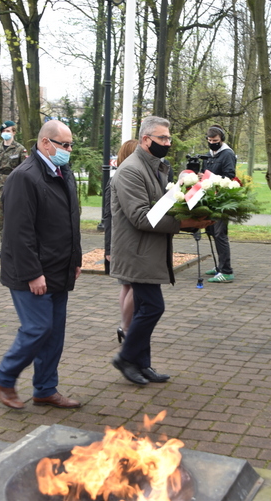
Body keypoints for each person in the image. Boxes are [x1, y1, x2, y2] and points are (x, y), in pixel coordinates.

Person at [109, 116, 212, 385]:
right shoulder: (131, 170)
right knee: (153, 307)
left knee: (145, 307)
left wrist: (191, 193)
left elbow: (162, 206)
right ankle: (126, 358)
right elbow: (142, 217)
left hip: (149, 250)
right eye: (162, 138)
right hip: (136, 252)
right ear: (146, 140)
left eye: (168, 138)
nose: (167, 143)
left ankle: (142, 365)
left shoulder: (156, 167)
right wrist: (186, 222)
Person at [0, 120, 82, 409]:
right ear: (45, 143)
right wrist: (33, 273)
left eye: (70, 145)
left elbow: (72, 220)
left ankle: (45, 389)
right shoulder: (24, 177)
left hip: (59, 267)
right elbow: (18, 232)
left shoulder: (62, 172)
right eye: (64, 144)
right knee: (38, 328)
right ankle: (4, 377)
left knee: (54, 332)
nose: (68, 150)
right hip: (30, 271)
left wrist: (75, 259)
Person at [103, 139, 138, 344]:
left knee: (127, 285)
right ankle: (125, 326)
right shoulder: (117, 180)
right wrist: (108, 247)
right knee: (133, 284)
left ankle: (125, 325)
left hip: (123, 240)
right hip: (122, 240)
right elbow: (108, 216)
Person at [202, 124, 237, 283]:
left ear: (221, 139)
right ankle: (219, 266)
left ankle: (227, 271)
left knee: (220, 234)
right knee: (211, 231)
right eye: (209, 140)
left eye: (215, 140)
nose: (212, 142)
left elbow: (229, 175)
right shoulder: (209, 154)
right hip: (210, 199)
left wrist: (212, 179)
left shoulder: (227, 154)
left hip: (222, 199)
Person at [0, 120, 28, 258]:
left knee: (15, 217)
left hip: (14, 184)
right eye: (4, 131)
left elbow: (24, 169)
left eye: (9, 131)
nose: (6, 134)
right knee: (1, 217)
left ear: (14, 132)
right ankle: (4, 246)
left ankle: (15, 247)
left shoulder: (19, 149)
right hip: (0, 185)